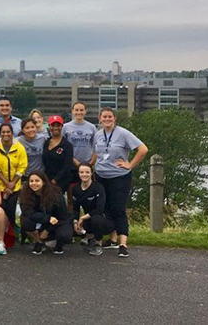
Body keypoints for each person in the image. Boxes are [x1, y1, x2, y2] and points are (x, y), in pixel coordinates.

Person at [94, 107, 148, 258]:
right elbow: (95, 153)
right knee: (106, 208)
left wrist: (130, 165)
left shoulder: (123, 133)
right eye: (104, 117)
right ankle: (112, 239)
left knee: (118, 209)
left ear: (115, 118)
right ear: (100, 119)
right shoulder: (98, 135)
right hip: (101, 175)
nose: (107, 119)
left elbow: (143, 149)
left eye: (109, 117)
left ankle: (123, 243)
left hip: (119, 177)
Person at [20, 171, 72, 255]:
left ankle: (58, 245)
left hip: (56, 221)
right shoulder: (25, 194)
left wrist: (47, 230)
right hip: (40, 219)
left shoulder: (56, 194)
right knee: (25, 222)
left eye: (37, 181)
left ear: (43, 182)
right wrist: (47, 218)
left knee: (66, 235)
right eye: (31, 181)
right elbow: (27, 212)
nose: (34, 183)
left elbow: (62, 216)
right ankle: (39, 241)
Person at [0, 123, 27, 229]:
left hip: (15, 187)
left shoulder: (19, 147)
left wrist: (12, 184)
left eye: (8, 132)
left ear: (12, 133)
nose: (6, 134)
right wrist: (7, 184)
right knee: (0, 211)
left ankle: (12, 234)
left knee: (11, 211)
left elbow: (22, 166)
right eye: (3, 132)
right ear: (0, 133)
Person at [72, 163, 113, 256]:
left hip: (104, 219)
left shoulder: (98, 187)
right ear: (78, 174)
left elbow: (99, 209)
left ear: (91, 173)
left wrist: (82, 218)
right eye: (81, 172)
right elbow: (75, 208)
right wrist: (75, 222)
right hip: (88, 218)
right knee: (70, 222)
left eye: (87, 172)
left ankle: (98, 244)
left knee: (96, 219)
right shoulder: (76, 189)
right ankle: (89, 237)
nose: (84, 174)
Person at [63, 101, 98, 181]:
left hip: (87, 165)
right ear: (72, 111)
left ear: (85, 111)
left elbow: (96, 147)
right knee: (72, 190)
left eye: (81, 110)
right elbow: (64, 147)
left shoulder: (92, 127)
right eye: (76, 110)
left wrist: (91, 163)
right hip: (71, 165)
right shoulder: (65, 127)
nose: (79, 112)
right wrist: (75, 162)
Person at [43, 115, 74, 194]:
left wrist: (55, 180)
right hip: (46, 180)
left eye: (58, 125)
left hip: (61, 182)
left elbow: (67, 166)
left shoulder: (67, 145)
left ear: (62, 126)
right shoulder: (46, 142)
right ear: (49, 126)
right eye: (53, 125)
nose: (55, 128)